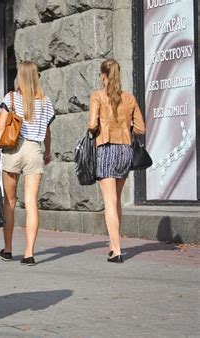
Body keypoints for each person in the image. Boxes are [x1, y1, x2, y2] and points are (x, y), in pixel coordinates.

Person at [0, 61, 55, 266]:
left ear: (19, 76)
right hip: (34, 150)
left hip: (13, 151)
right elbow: (47, 130)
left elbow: (0, 127)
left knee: (10, 201)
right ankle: (29, 253)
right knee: (32, 202)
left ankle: (8, 249)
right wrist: (48, 150)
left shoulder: (11, 98)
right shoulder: (45, 102)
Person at [88, 58, 146, 263]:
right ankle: (114, 246)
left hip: (106, 148)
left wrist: (99, 127)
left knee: (109, 202)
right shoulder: (129, 98)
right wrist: (125, 125)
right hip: (125, 150)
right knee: (116, 201)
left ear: (103, 75)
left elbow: (92, 124)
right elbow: (141, 128)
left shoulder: (98, 96)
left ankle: (117, 249)